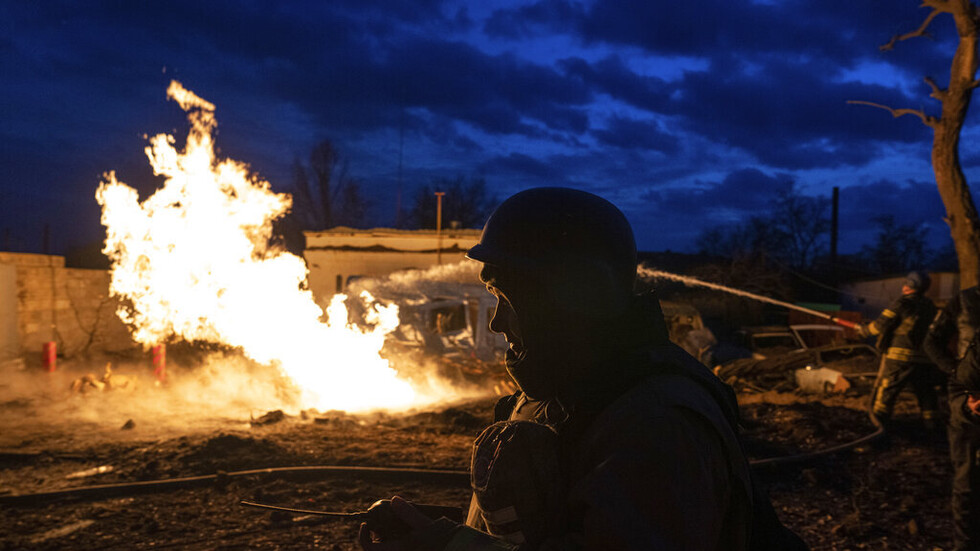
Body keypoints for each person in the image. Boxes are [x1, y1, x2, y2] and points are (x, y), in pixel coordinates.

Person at [359, 187, 806, 550]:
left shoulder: (655, 422)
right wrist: (434, 532)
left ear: (576, 298)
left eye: (508, 299)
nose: (496, 323)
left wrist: (448, 548)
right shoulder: (568, 390)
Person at [925, 284, 980, 551]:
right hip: (968, 393)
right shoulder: (965, 300)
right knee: (966, 479)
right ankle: (965, 545)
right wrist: (956, 372)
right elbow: (931, 342)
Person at [860, 271, 940, 429]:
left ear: (909, 285)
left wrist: (864, 331)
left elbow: (880, 326)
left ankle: (879, 423)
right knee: (926, 392)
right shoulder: (930, 306)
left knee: (887, 390)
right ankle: (932, 424)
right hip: (924, 358)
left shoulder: (902, 303)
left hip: (900, 357)